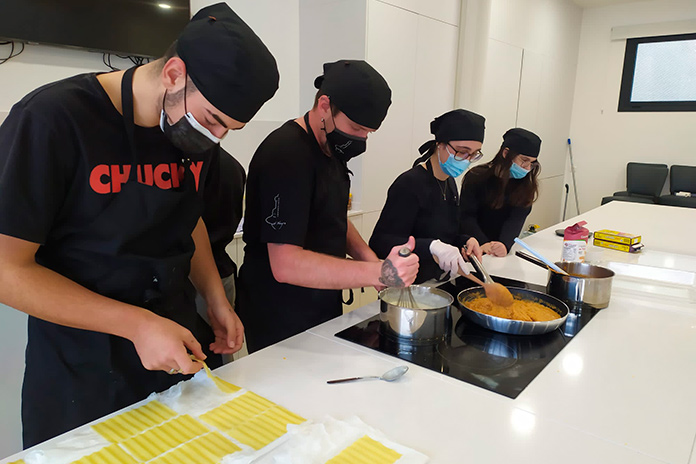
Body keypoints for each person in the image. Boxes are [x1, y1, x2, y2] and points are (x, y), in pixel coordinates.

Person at [0, 3, 279, 447]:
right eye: (212, 121)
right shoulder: (53, 119)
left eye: (229, 129)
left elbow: (188, 222)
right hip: (83, 371)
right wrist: (136, 324)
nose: (215, 139)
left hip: (174, 354)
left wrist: (214, 300)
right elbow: (6, 270)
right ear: (173, 74)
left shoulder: (183, 135)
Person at [237, 60, 419, 353]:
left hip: (322, 297)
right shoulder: (286, 154)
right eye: (356, 128)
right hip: (279, 310)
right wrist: (377, 273)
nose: (360, 139)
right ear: (324, 104)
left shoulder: (333, 150)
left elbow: (333, 216)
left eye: (368, 133)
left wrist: (373, 262)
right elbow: (286, 265)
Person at [370, 109, 485, 283]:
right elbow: (381, 243)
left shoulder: (449, 182)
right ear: (440, 144)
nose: (467, 160)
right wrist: (430, 247)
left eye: (474, 154)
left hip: (436, 283)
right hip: (407, 288)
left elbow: (446, 234)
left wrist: (466, 241)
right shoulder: (409, 184)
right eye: (462, 151)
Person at [190, 149, 245, 344]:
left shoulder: (197, 165)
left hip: (201, 280)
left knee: (213, 349)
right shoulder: (234, 167)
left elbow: (191, 225)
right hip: (220, 271)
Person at [459, 128, 542, 257]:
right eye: (524, 160)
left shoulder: (526, 184)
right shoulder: (476, 177)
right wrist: (484, 243)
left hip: (501, 251)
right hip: (473, 246)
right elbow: (466, 216)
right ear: (505, 153)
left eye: (532, 163)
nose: (527, 168)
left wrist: (504, 244)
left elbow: (516, 219)